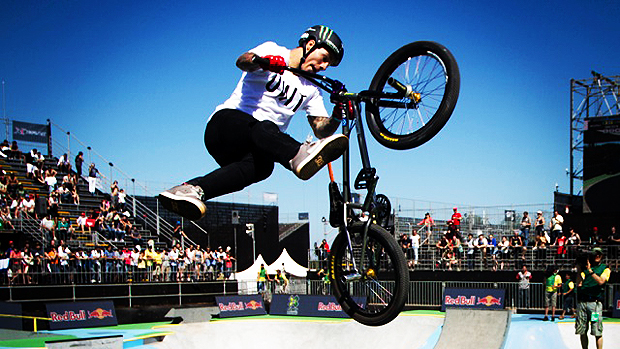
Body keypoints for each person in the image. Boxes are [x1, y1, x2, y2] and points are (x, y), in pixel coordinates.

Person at [158, 25, 347, 221]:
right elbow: (242, 61)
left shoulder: (313, 90)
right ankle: (297, 154)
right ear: (310, 44)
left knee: (264, 167)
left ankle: (192, 189)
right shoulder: (274, 50)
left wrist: (336, 116)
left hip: (251, 144)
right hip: (225, 126)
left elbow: (320, 129)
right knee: (265, 128)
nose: (324, 66)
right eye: (325, 58)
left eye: (329, 64)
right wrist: (262, 62)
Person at [575, 247, 610, 349]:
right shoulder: (584, 269)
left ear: (602, 256)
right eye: (594, 254)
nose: (596, 256)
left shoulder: (605, 269)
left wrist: (590, 271)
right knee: (582, 331)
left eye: (598, 254)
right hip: (582, 303)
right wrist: (579, 270)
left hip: (595, 304)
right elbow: (579, 284)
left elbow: (601, 281)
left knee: (597, 331)